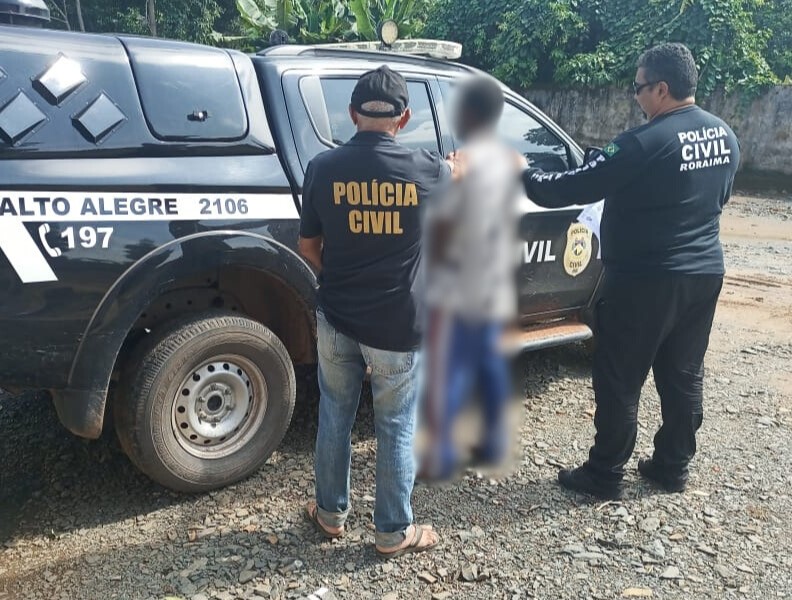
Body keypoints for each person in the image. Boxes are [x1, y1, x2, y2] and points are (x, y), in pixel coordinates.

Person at [521, 43, 740, 500]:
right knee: (683, 372)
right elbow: (718, 199)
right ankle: (672, 466)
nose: (635, 95)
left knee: (620, 375)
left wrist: (522, 173)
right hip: (703, 273)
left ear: (662, 88)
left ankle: (605, 473)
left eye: (638, 87)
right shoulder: (725, 136)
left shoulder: (642, 142)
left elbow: (570, 187)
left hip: (644, 278)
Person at [298, 65, 456, 558]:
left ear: (352, 114)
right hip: (397, 325)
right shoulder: (428, 169)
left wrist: (339, 277)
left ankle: (329, 514)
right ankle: (392, 532)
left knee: (334, 413)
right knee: (395, 424)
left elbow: (308, 247)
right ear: (403, 119)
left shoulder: (322, 167)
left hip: (337, 316)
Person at [420, 75, 520, 480]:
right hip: (494, 276)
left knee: (451, 367)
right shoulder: (510, 158)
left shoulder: (461, 163)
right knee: (489, 361)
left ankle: (441, 456)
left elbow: (444, 227)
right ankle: (493, 443)